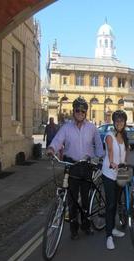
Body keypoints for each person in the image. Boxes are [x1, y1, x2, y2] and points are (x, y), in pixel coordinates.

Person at [46, 97, 104, 240]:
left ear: (86, 113)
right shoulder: (66, 128)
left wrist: (100, 158)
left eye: (82, 111)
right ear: (74, 112)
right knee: (71, 200)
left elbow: (98, 145)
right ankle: (74, 229)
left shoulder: (92, 128)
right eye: (77, 110)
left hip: (86, 166)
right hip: (71, 166)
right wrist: (51, 148)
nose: (80, 113)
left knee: (85, 198)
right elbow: (58, 140)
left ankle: (86, 225)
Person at [101, 110, 128, 250]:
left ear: (124, 123)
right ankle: (108, 236)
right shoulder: (109, 135)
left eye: (121, 121)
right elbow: (110, 150)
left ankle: (112, 228)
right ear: (114, 122)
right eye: (117, 121)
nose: (119, 123)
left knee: (117, 202)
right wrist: (112, 162)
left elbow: (125, 154)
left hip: (120, 173)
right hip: (109, 173)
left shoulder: (124, 137)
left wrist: (125, 165)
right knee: (110, 204)